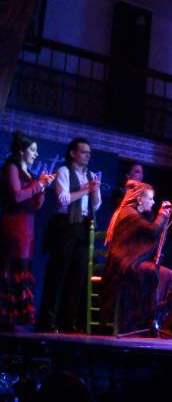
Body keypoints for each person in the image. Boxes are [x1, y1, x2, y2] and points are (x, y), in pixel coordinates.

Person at [100, 182, 172, 335]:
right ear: (140, 199)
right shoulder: (129, 215)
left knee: (171, 276)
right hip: (124, 266)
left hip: (129, 263)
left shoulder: (132, 214)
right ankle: (151, 321)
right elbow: (152, 231)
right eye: (150, 199)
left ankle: (160, 322)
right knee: (166, 276)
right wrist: (162, 214)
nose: (153, 202)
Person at [39, 137, 102, 332]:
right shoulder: (64, 171)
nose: (88, 155)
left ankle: (69, 322)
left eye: (89, 153)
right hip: (66, 224)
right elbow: (62, 199)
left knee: (78, 276)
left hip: (83, 225)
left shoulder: (90, 175)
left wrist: (95, 191)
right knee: (58, 274)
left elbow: (96, 205)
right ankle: (48, 322)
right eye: (84, 152)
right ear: (73, 153)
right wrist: (85, 190)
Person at [0, 132, 55, 330]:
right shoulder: (12, 167)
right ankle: (6, 319)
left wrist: (42, 188)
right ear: (22, 150)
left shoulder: (30, 174)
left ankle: (14, 319)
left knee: (22, 269)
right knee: (12, 269)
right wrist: (37, 185)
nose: (36, 154)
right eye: (33, 150)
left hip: (27, 227)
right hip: (14, 224)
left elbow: (36, 204)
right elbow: (16, 196)